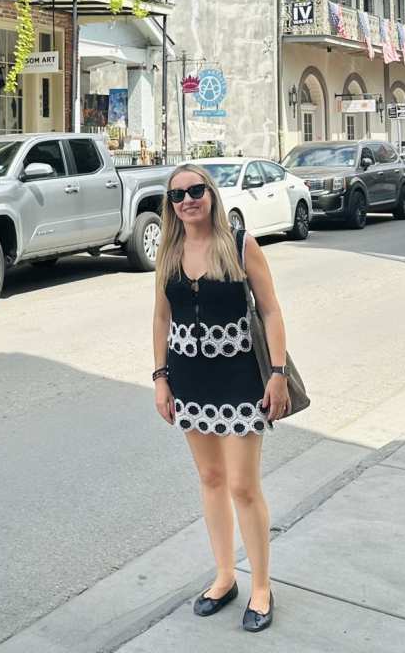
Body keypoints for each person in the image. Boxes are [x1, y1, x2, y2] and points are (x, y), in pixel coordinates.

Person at [152, 163, 291, 633]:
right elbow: (161, 319)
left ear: (210, 194)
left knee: (243, 486)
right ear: (170, 205)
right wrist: (160, 378)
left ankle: (261, 587)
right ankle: (225, 576)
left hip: (238, 378)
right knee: (211, 478)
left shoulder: (239, 243)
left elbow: (270, 311)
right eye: (177, 195)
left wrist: (276, 374)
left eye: (195, 190)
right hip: (189, 379)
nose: (187, 200)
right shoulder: (169, 251)